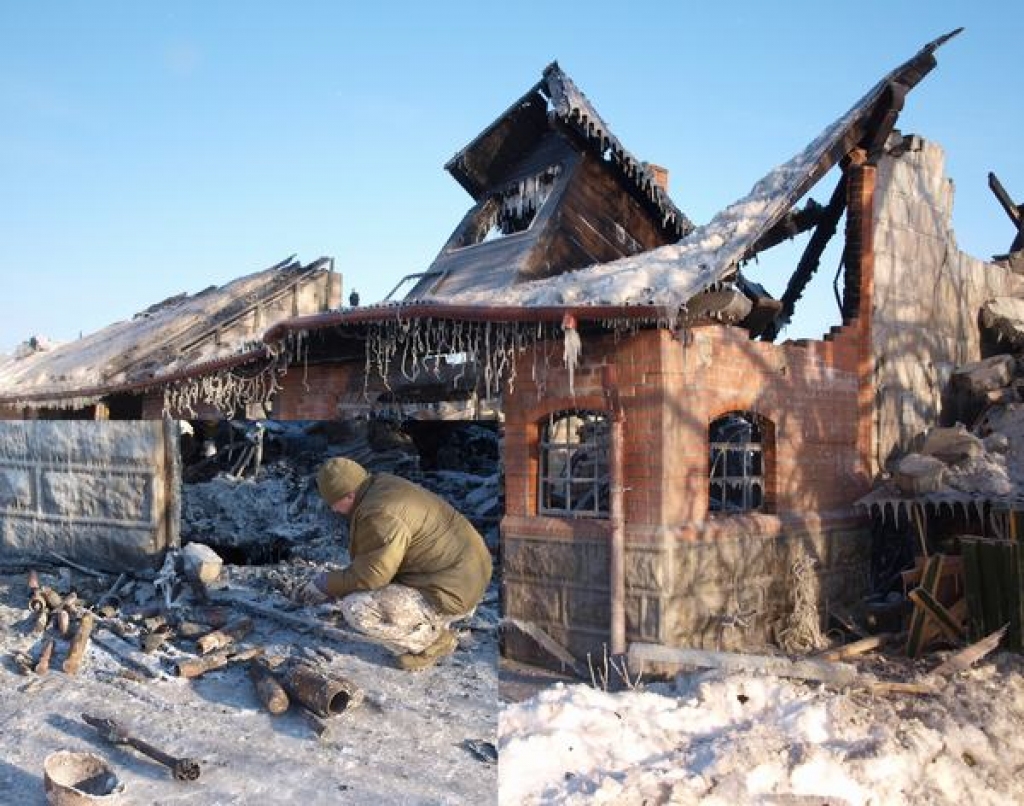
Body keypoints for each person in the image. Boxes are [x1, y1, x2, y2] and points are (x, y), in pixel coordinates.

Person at [301, 457, 493, 671]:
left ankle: (434, 640)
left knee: (357, 607)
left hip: (455, 590)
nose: (334, 510)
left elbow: (372, 576)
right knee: (357, 588)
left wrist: (325, 584)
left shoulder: (380, 513)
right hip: (466, 574)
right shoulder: (380, 485)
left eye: (334, 504)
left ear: (349, 495)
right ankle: (434, 618)